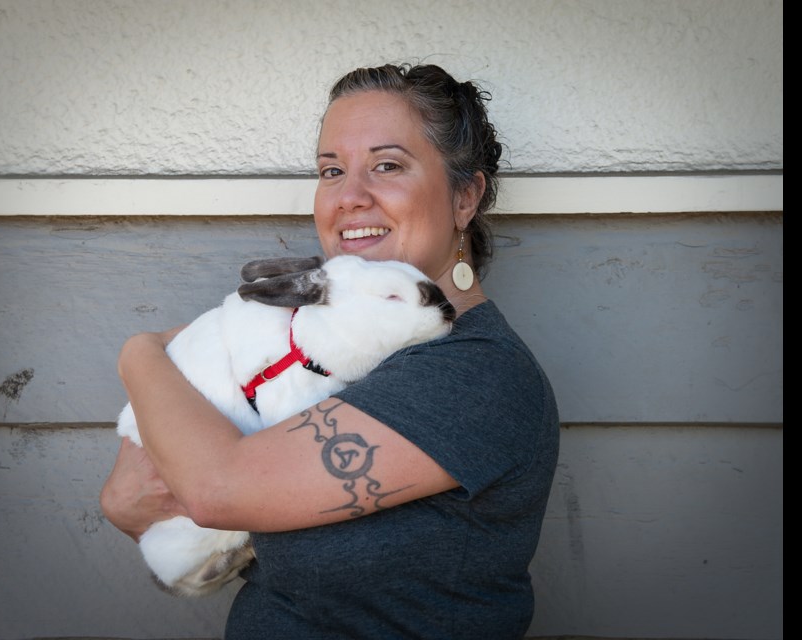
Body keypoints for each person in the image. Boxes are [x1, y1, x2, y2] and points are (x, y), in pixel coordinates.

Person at [100, 62, 560, 640]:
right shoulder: (332, 346)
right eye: (331, 170)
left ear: (465, 197)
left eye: (387, 165)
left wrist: (138, 352)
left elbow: (216, 490)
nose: (349, 197)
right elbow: (140, 498)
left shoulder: (475, 374)